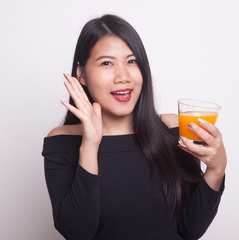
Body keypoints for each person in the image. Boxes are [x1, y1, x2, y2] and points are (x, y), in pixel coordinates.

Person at [42, 14, 227, 240]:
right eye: (107, 63)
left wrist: (217, 169)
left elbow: (189, 231)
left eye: (132, 61)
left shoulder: (173, 130)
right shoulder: (62, 142)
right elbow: (78, 233)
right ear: (81, 74)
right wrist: (90, 144)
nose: (123, 76)